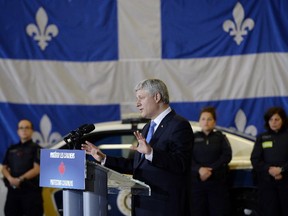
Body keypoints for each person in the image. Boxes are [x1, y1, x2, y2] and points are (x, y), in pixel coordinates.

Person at [82, 78, 194, 216]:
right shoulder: (147, 127)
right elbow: (137, 166)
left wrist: (151, 153)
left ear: (157, 97)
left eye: (141, 98)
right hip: (142, 205)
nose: (137, 104)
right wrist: (104, 158)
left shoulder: (179, 125)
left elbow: (181, 164)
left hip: (164, 207)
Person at [191, 107, 232, 216]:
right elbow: (188, 158)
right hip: (197, 183)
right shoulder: (192, 138)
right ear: (199, 121)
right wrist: (199, 169)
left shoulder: (221, 137)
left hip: (217, 183)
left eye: (209, 119)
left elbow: (227, 156)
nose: (206, 122)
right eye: (203, 119)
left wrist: (211, 169)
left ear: (214, 122)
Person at [250, 107, 288, 216]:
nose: (273, 123)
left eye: (277, 119)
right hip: (267, 184)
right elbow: (255, 159)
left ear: (283, 120)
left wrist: (281, 170)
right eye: (270, 120)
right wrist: (270, 170)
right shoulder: (262, 137)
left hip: (285, 181)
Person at [2, 119, 43, 216]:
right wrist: (10, 179)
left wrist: (20, 179)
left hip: (31, 193)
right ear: (17, 131)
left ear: (32, 130)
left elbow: (37, 169)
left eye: (27, 128)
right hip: (13, 192)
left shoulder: (37, 149)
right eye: (21, 128)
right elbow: (4, 168)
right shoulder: (11, 148)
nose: (24, 130)